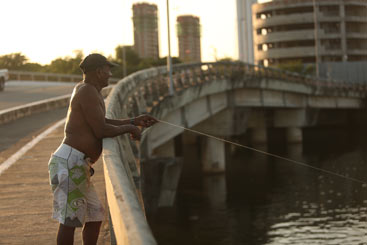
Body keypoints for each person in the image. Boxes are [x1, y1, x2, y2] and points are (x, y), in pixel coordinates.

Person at [47, 53, 157, 245]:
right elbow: (100, 130)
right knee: (69, 222)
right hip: (70, 163)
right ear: (99, 71)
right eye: (108, 70)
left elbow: (101, 121)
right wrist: (129, 128)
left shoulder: (88, 89)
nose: (109, 74)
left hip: (78, 164)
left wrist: (133, 120)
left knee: (95, 215)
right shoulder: (87, 91)